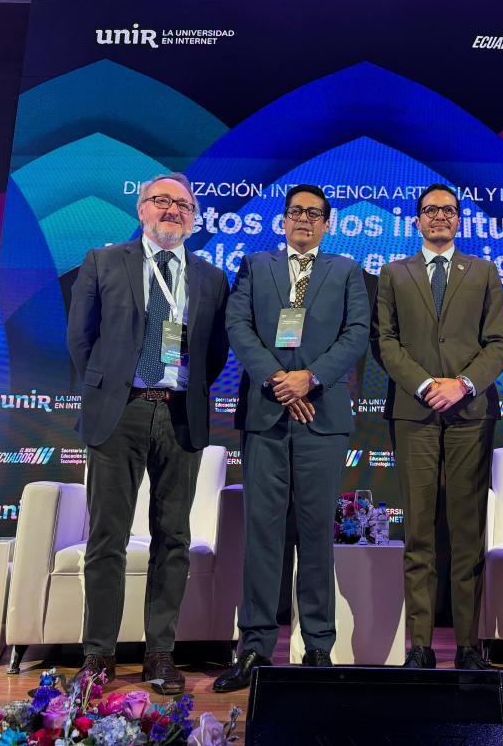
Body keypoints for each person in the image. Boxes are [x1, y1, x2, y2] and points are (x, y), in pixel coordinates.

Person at [67, 173, 229, 694]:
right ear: (141, 209)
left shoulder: (211, 277)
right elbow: (81, 338)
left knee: (173, 538)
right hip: (120, 412)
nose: (172, 210)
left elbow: (214, 353)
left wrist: (179, 386)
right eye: (161, 200)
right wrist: (112, 386)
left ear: (194, 218)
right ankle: (98, 657)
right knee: (107, 538)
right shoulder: (103, 261)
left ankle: (161, 654)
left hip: (180, 414)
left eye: (183, 204)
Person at [214, 184, 370, 691]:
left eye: (314, 214)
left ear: (327, 223)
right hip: (266, 414)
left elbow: (357, 333)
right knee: (261, 533)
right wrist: (278, 380)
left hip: (322, 417)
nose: (304, 219)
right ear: (282, 220)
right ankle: (255, 647)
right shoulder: (255, 266)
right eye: (296, 212)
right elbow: (238, 325)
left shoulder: (345, 270)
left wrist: (310, 378)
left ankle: (318, 646)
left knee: (316, 533)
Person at [371, 183, 503, 670]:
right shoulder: (394, 273)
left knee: (467, 532)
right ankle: (420, 646)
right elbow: (385, 342)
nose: (439, 217)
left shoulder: (484, 271)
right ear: (416, 220)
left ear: (458, 220)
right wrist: (427, 384)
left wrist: (463, 385)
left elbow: (498, 342)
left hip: (470, 413)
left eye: (448, 210)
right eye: (430, 210)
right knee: (418, 533)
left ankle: (469, 647)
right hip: (415, 413)